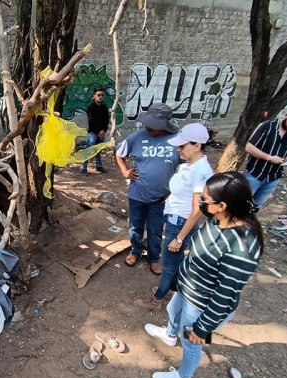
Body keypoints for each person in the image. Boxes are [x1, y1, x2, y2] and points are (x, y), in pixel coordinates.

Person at [144, 172, 264, 378]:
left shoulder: (241, 249)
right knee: (173, 310)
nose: (201, 201)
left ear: (222, 205)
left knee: (191, 341)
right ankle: (170, 335)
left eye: (206, 199)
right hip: (189, 289)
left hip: (202, 304)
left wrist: (203, 328)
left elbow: (225, 294)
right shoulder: (216, 219)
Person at [137, 123, 213, 311]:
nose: (178, 149)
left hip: (181, 222)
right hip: (174, 219)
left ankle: (158, 298)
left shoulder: (201, 171)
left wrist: (179, 238)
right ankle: (175, 292)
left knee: (169, 265)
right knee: (175, 262)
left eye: (182, 146)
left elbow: (196, 211)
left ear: (197, 145)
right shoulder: (189, 166)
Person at [115, 103, 180, 275]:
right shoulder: (137, 137)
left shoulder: (177, 140)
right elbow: (119, 154)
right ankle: (135, 251)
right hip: (137, 194)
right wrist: (125, 171)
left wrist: (175, 187)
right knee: (135, 227)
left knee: (155, 229)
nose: (149, 127)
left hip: (161, 198)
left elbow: (188, 165)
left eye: (154, 125)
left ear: (165, 125)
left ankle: (153, 258)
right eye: (148, 123)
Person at [243, 105, 287, 207]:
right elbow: (249, 147)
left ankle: (249, 222)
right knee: (241, 203)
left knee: (256, 206)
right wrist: (269, 158)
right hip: (254, 174)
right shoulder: (267, 126)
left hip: (273, 178)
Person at [82, 87, 109, 175]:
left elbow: (106, 120)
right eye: (98, 95)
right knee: (89, 149)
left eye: (102, 95)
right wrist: (99, 132)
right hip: (93, 133)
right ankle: (84, 168)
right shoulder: (91, 107)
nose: (100, 97)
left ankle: (99, 166)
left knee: (98, 150)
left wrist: (103, 131)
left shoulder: (104, 107)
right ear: (94, 96)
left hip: (101, 133)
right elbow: (91, 121)